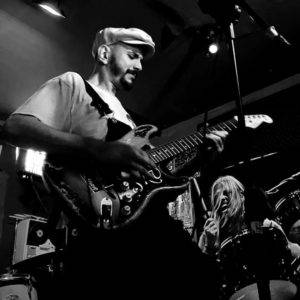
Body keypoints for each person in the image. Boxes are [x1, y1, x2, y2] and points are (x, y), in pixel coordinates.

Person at [2, 27, 228, 299]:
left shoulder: (130, 121)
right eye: (133, 55)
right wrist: (98, 149)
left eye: (141, 59)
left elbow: (155, 182)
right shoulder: (73, 85)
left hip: (148, 227)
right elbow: (16, 127)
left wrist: (197, 161)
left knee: (206, 277)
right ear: (104, 52)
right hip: (103, 231)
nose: (140, 65)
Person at [199, 175, 300, 300]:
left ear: (241, 196)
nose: (222, 198)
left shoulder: (258, 224)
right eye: (217, 196)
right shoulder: (208, 234)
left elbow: (292, 252)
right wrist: (209, 246)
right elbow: (202, 280)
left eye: (227, 193)